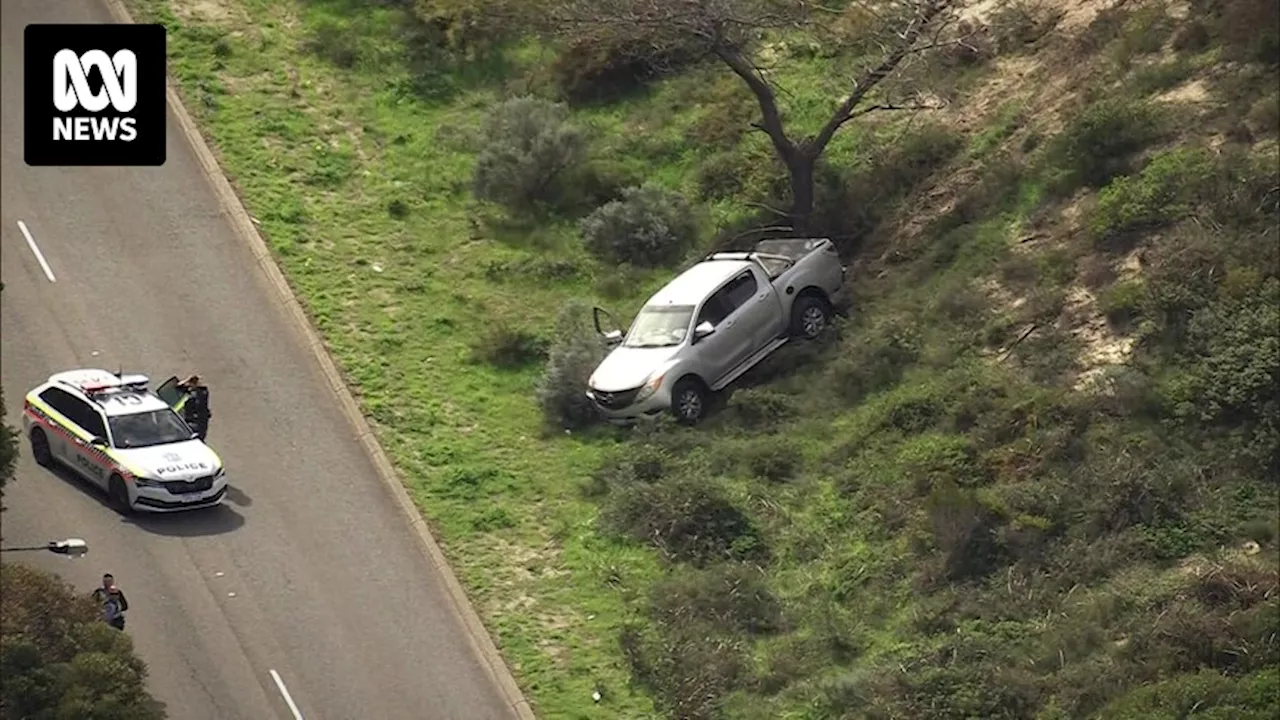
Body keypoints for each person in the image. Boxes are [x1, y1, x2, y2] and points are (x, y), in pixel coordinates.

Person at [178, 374, 211, 441]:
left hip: (197, 421)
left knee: (197, 439)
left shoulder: (200, 393)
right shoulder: (199, 391)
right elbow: (178, 387)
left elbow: (179, 387)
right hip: (197, 420)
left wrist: (187, 381)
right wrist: (188, 380)